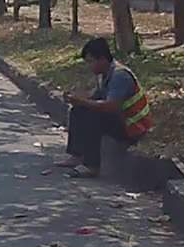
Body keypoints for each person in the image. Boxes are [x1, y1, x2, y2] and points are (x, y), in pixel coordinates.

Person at [55, 37, 154, 177]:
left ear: (102, 59)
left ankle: (92, 165)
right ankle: (77, 155)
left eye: (91, 61)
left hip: (133, 126)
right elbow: (96, 98)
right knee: (78, 111)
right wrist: (77, 99)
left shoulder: (120, 76)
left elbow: (110, 107)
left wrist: (84, 102)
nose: (89, 66)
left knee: (93, 117)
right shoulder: (104, 74)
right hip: (121, 120)